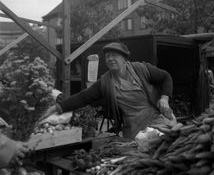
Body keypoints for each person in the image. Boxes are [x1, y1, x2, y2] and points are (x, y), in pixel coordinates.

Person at [42, 42, 176, 139]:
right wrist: (56, 108)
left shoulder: (141, 69)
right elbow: (83, 97)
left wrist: (164, 98)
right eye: (107, 57)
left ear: (124, 58)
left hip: (158, 120)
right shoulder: (106, 82)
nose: (110, 59)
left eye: (114, 55)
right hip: (134, 128)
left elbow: (166, 77)